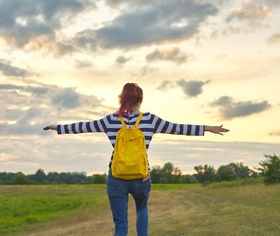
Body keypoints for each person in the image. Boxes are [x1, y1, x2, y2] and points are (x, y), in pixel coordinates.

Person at [43, 83, 229, 236]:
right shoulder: (150, 120)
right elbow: (178, 128)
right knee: (141, 210)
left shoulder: (110, 121)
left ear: (121, 99)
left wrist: (58, 128)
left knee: (121, 226)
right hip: (142, 177)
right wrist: (207, 128)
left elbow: (84, 126)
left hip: (116, 177)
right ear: (140, 100)